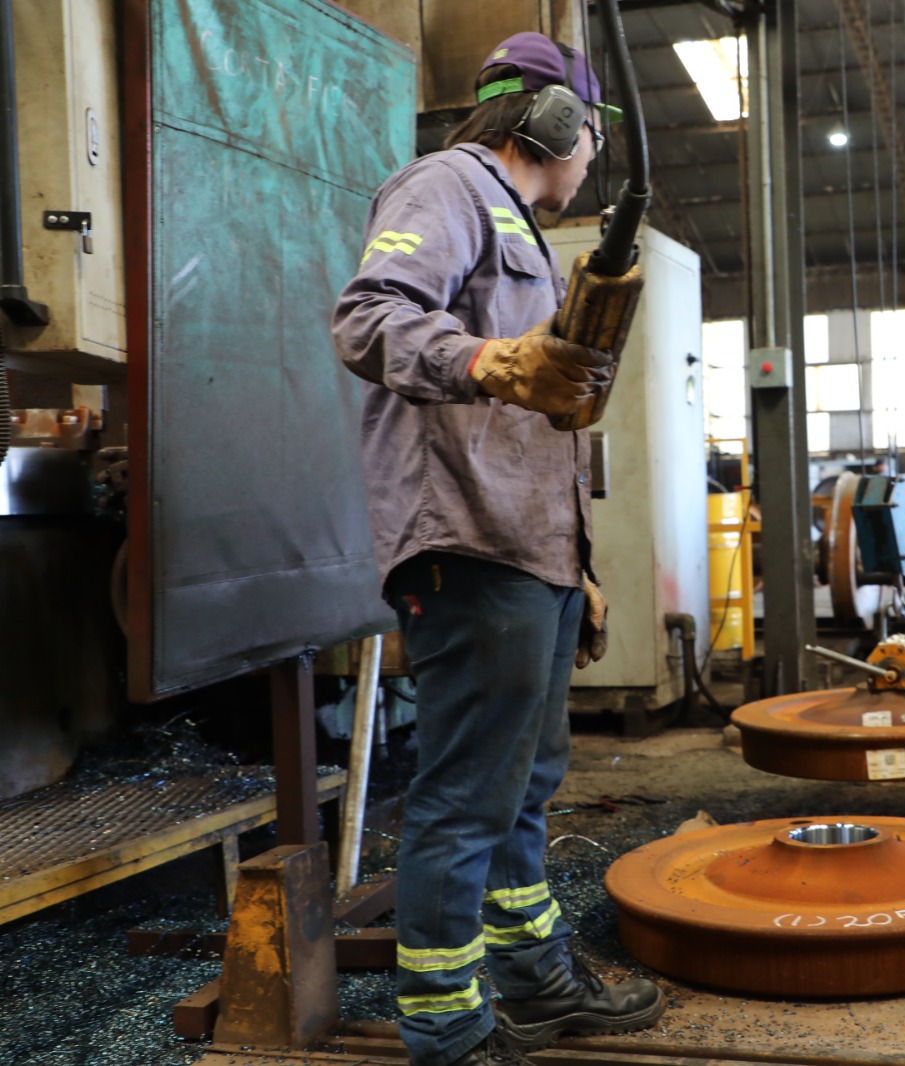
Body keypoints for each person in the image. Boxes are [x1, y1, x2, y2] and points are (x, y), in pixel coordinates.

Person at [331, 31, 663, 1066]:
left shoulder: (518, 229)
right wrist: (489, 355)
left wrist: (584, 569)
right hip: (467, 543)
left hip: (530, 551)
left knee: (523, 785)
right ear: (556, 123)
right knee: (467, 794)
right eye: (589, 142)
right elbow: (366, 318)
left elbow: (540, 411)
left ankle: (532, 978)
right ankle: (445, 1027)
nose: (588, 166)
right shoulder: (448, 188)